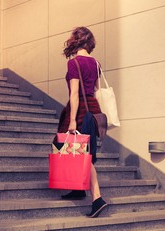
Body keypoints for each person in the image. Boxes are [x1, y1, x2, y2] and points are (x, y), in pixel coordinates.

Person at [57, 26, 107, 218]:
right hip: (94, 111)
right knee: (79, 150)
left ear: (76, 41)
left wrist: (71, 122)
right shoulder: (96, 63)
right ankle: (78, 189)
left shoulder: (74, 64)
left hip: (81, 112)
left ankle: (97, 198)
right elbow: (96, 91)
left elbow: (75, 94)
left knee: (82, 153)